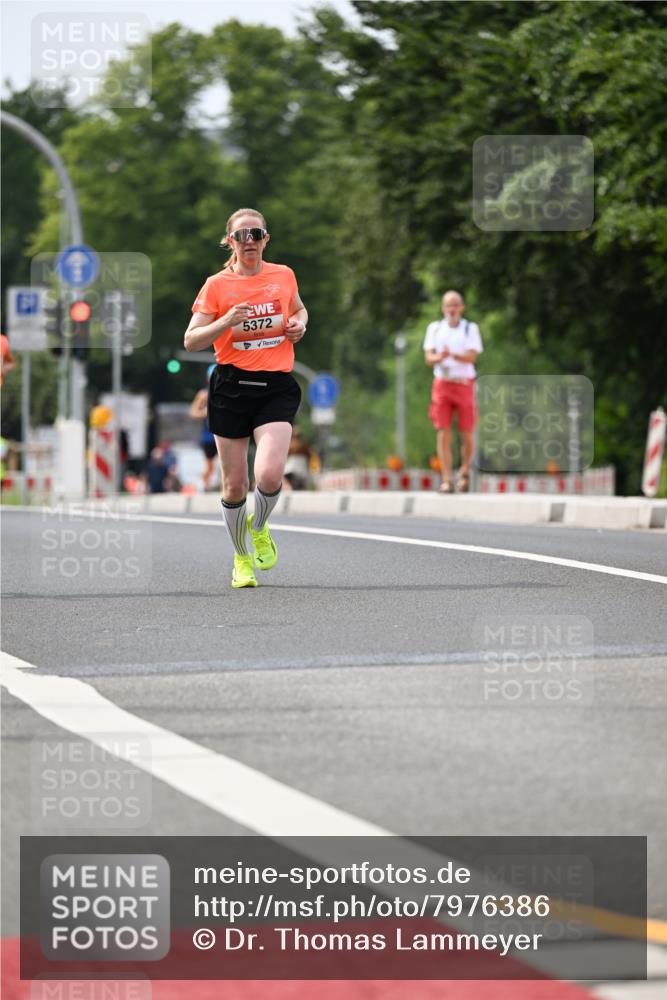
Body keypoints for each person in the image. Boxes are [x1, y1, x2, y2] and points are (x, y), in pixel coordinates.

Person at [184, 207, 308, 588]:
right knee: (234, 485)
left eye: (256, 234)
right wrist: (225, 322)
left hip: (274, 386)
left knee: (270, 474)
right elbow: (191, 340)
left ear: (266, 239)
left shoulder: (283, 275)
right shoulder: (217, 285)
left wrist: (299, 324)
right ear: (230, 242)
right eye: (242, 235)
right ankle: (241, 559)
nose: (249, 241)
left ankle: (260, 526)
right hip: (231, 388)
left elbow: (300, 308)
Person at [423, 290, 483, 493]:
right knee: (443, 431)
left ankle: (464, 471)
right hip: (442, 383)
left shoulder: (469, 328)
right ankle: (447, 478)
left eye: (455, 305)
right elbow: (428, 357)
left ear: (461, 308)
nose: (452, 309)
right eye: (449, 305)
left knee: (467, 432)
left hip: (464, 383)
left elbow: (472, 356)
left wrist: (453, 356)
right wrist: (440, 358)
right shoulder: (435, 328)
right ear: (443, 308)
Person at [189, 364, 218, 491]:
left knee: (226, 465)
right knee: (210, 466)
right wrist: (207, 412)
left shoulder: (229, 393)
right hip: (209, 436)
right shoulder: (203, 394)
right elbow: (193, 412)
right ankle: (204, 487)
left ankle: (225, 491)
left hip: (225, 433)